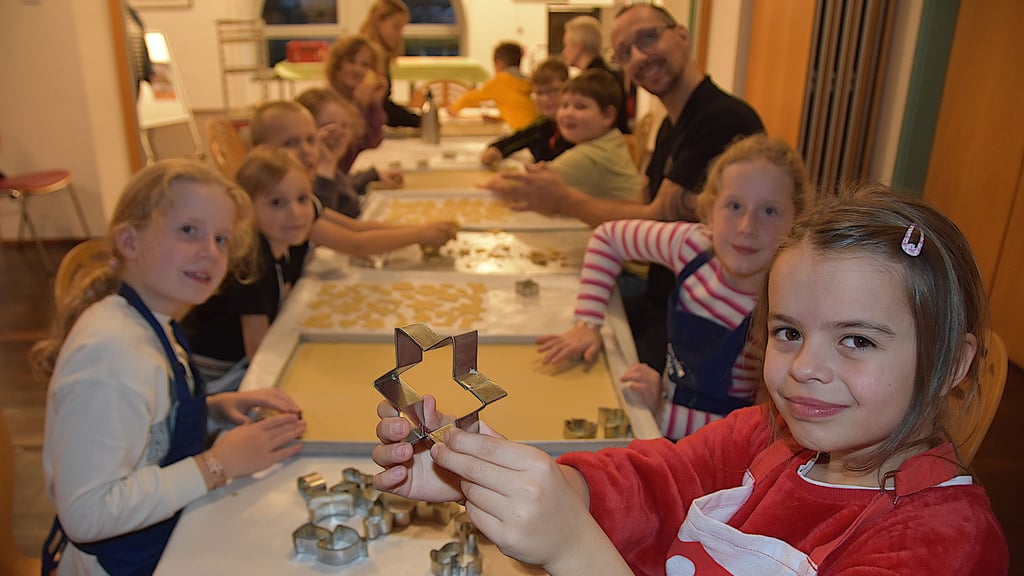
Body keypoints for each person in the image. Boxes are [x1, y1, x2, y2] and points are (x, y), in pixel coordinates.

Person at [371, 185, 1009, 575]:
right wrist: (502, 480)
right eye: (789, 331)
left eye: (858, 339)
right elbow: (656, 482)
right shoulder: (769, 434)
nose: (806, 366)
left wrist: (572, 548)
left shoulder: (944, 543)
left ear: (952, 363)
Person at [34, 159, 307, 575]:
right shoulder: (112, 353)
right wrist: (218, 465)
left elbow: (144, 418)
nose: (209, 251)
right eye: (188, 231)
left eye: (221, 239)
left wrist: (212, 407)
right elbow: (87, 513)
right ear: (128, 241)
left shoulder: (154, 319)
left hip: (159, 536)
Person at [487, 3, 765, 373]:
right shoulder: (672, 125)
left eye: (648, 38)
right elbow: (648, 204)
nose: (638, 57)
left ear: (682, 35)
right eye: (624, 53)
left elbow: (657, 215)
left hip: (705, 326)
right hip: (666, 295)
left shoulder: (722, 119)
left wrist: (565, 199)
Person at [540, 135, 811, 438]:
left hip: (720, 451)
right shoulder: (692, 245)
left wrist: (663, 413)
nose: (747, 227)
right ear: (709, 211)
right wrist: (587, 322)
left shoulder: (787, 309)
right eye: (734, 206)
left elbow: (762, 430)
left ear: (796, 220)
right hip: (664, 410)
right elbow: (608, 238)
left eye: (770, 211)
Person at [180, 148, 315, 392]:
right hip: (209, 370)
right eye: (277, 203)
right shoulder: (251, 262)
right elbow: (257, 350)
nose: (295, 212)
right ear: (247, 209)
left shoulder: (287, 243)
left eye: (302, 199)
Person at [250, 100, 457, 257]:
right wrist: (418, 235)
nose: (306, 150)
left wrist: (420, 228)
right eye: (290, 143)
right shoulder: (287, 207)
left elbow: (355, 227)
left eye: (310, 140)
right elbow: (357, 243)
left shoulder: (303, 199)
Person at [539, 69, 641, 201]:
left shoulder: (590, 156)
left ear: (607, 115)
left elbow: (526, 185)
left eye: (580, 106)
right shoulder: (611, 139)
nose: (568, 113)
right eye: (564, 105)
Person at [296, 86, 401, 190]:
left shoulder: (342, 151)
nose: (338, 135)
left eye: (344, 126)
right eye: (329, 127)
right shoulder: (299, 170)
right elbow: (325, 202)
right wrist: (326, 165)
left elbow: (340, 185)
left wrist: (373, 175)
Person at [479, 59, 573, 167]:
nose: (545, 99)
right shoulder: (541, 127)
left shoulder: (577, 128)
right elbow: (514, 140)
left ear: (568, 90)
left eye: (552, 91)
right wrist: (495, 149)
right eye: (539, 93)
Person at [323, 35, 388, 173]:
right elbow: (342, 156)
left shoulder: (359, 98)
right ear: (337, 64)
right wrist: (358, 109)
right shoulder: (326, 103)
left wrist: (375, 104)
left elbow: (373, 142)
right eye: (351, 62)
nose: (357, 69)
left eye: (365, 65)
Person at [447, 41, 539, 131]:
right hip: (537, 126)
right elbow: (519, 106)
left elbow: (472, 97)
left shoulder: (500, 82)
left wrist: (453, 108)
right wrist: (500, 118)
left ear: (498, 63)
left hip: (524, 131)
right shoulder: (526, 81)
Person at [561, 14, 630, 133]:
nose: (564, 52)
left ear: (578, 47)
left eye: (566, 45)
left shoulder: (595, 81)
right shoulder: (606, 74)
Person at [360, 0, 421, 128]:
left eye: (402, 28)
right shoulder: (366, 56)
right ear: (377, 22)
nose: (399, 34)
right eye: (396, 27)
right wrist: (417, 121)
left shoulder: (382, 56)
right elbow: (379, 104)